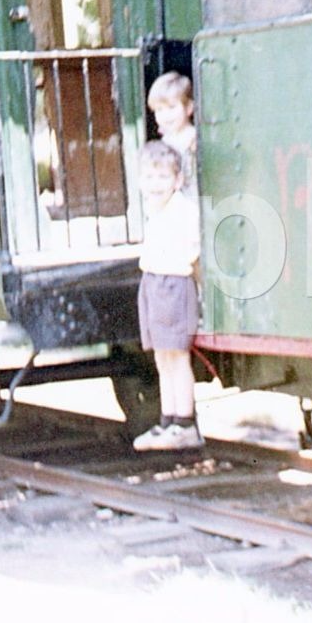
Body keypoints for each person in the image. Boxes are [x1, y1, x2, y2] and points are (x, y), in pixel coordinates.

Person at [131, 138, 203, 451]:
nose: (155, 184)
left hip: (174, 283)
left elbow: (193, 247)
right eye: (149, 177)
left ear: (177, 180)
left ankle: (185, 423)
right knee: (162, 357)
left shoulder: (183, 210)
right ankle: (168, 420)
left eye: (163, 177)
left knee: (177, 355)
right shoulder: (151, 209)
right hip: (153, 283)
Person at [147, 71, 197, 198]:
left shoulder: (193, 138)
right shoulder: (166, 139)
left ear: (189, 108)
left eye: (171, 107)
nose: (165, 115)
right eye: (159, 109)